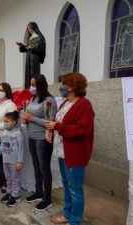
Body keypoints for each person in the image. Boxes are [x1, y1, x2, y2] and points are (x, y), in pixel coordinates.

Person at [44, 73, 95, 225]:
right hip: (62, 152)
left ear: (72, 86)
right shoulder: (66, 103)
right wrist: (50, 131)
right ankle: (67, 214)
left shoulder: (84, 104)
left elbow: (82, 130)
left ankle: (75, 220)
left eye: (64, 84)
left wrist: (57, 127)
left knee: (75, 189)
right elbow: (58, 121)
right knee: (67, 184)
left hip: (75, 154)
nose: (61, 87)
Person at [22, 74, 57, 211]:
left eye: (34, 84)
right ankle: (38, 192)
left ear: (41, 85)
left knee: (44, 168)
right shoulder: (32, 98)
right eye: (31, 84)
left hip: (43, 139)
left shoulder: (49, 101)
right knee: (36, 166)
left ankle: (47, 199)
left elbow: (50, 123)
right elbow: (28, 114)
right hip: (31, 137)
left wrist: (31, 118)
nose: (31, 87)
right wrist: (24, 118)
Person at [0, 111, 24, 207]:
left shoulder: (18, 134)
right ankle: (9, 192)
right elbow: (2, 145)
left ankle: (16, 196)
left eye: (6, 121)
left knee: (15, 179)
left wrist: (19, 161)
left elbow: (21, 148)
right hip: (5, 160)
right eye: (4, 121)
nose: (5, 124)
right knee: (8, 178)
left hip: (14, 162)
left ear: (14, 122)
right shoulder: (4, 132)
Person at [17, 22, 46, 89]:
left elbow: (41, 47)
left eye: (30, 28)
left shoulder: (39, 36)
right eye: (28, 29)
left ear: (34, 28)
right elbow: (27, 49)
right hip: (29, 57)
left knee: (34, 72)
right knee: (28, 72)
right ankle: (28, 88)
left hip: (35, 56)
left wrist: (31, 47)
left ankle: (35, 87)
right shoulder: (30, 38)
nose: (29, 30)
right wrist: (22, 46)